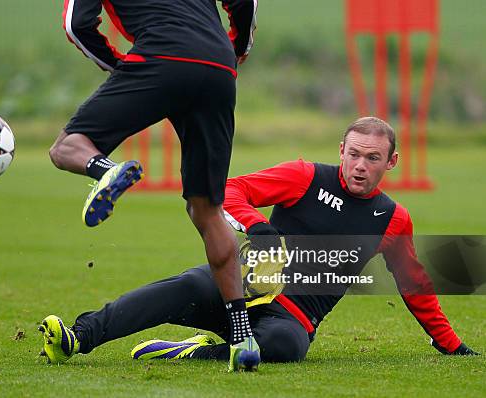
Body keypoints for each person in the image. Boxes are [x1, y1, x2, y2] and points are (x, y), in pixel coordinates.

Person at [38, 116, 479, 366]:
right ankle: (78, 337)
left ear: (392, 162)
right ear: (341, 149)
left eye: (373, 158)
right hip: (240, 288)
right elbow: (229, 190)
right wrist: (258, 226)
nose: (360, 165)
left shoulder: (392, 219)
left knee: (288, 349)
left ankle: (197, 353)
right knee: (185, 287)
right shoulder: (304, 175)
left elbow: (415, 286)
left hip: (289, 321)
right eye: (354, 153)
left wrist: (450, 344)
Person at [43, 0, 260, 371]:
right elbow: (244, 3)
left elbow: (77, 24)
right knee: (208, 212)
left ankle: (106, 169)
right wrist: (234, 50)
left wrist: (120, 67)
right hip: (218, 66)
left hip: (161, 55)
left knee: (67, 147)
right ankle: (243, 340)